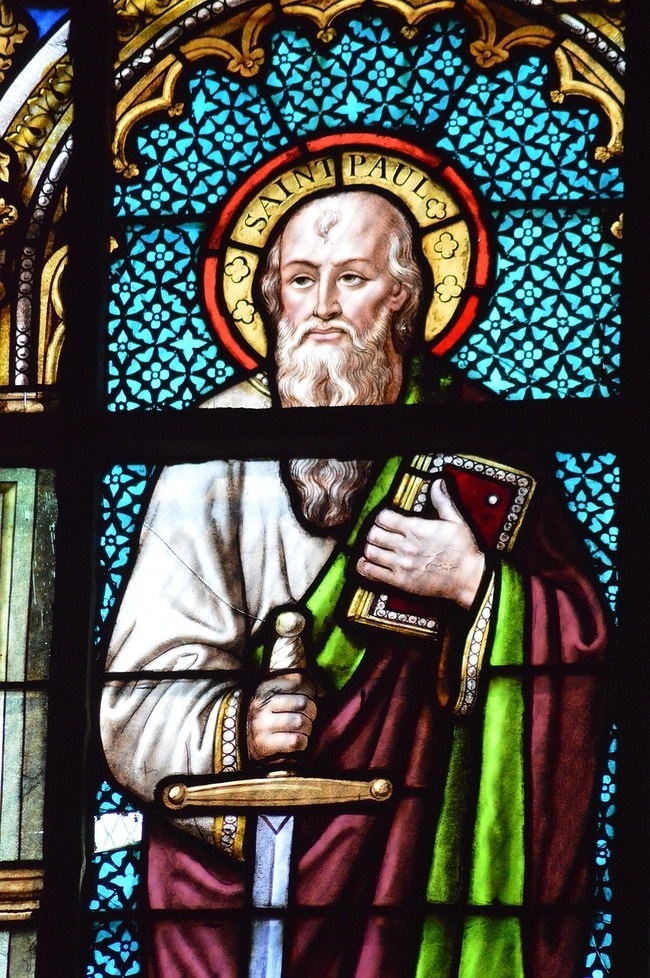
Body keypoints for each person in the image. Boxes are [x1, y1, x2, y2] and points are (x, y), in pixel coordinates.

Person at [100, 190, 608, 978]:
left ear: (402, 298)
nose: (324, 306)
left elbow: (582, 646)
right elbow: (133, 700)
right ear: (270, 298)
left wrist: (475, 582)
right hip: (234, 894)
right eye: (301, 280)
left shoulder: (480, 441)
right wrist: (238, 727)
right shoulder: (207, 455)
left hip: (420, 869)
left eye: (353, 279)